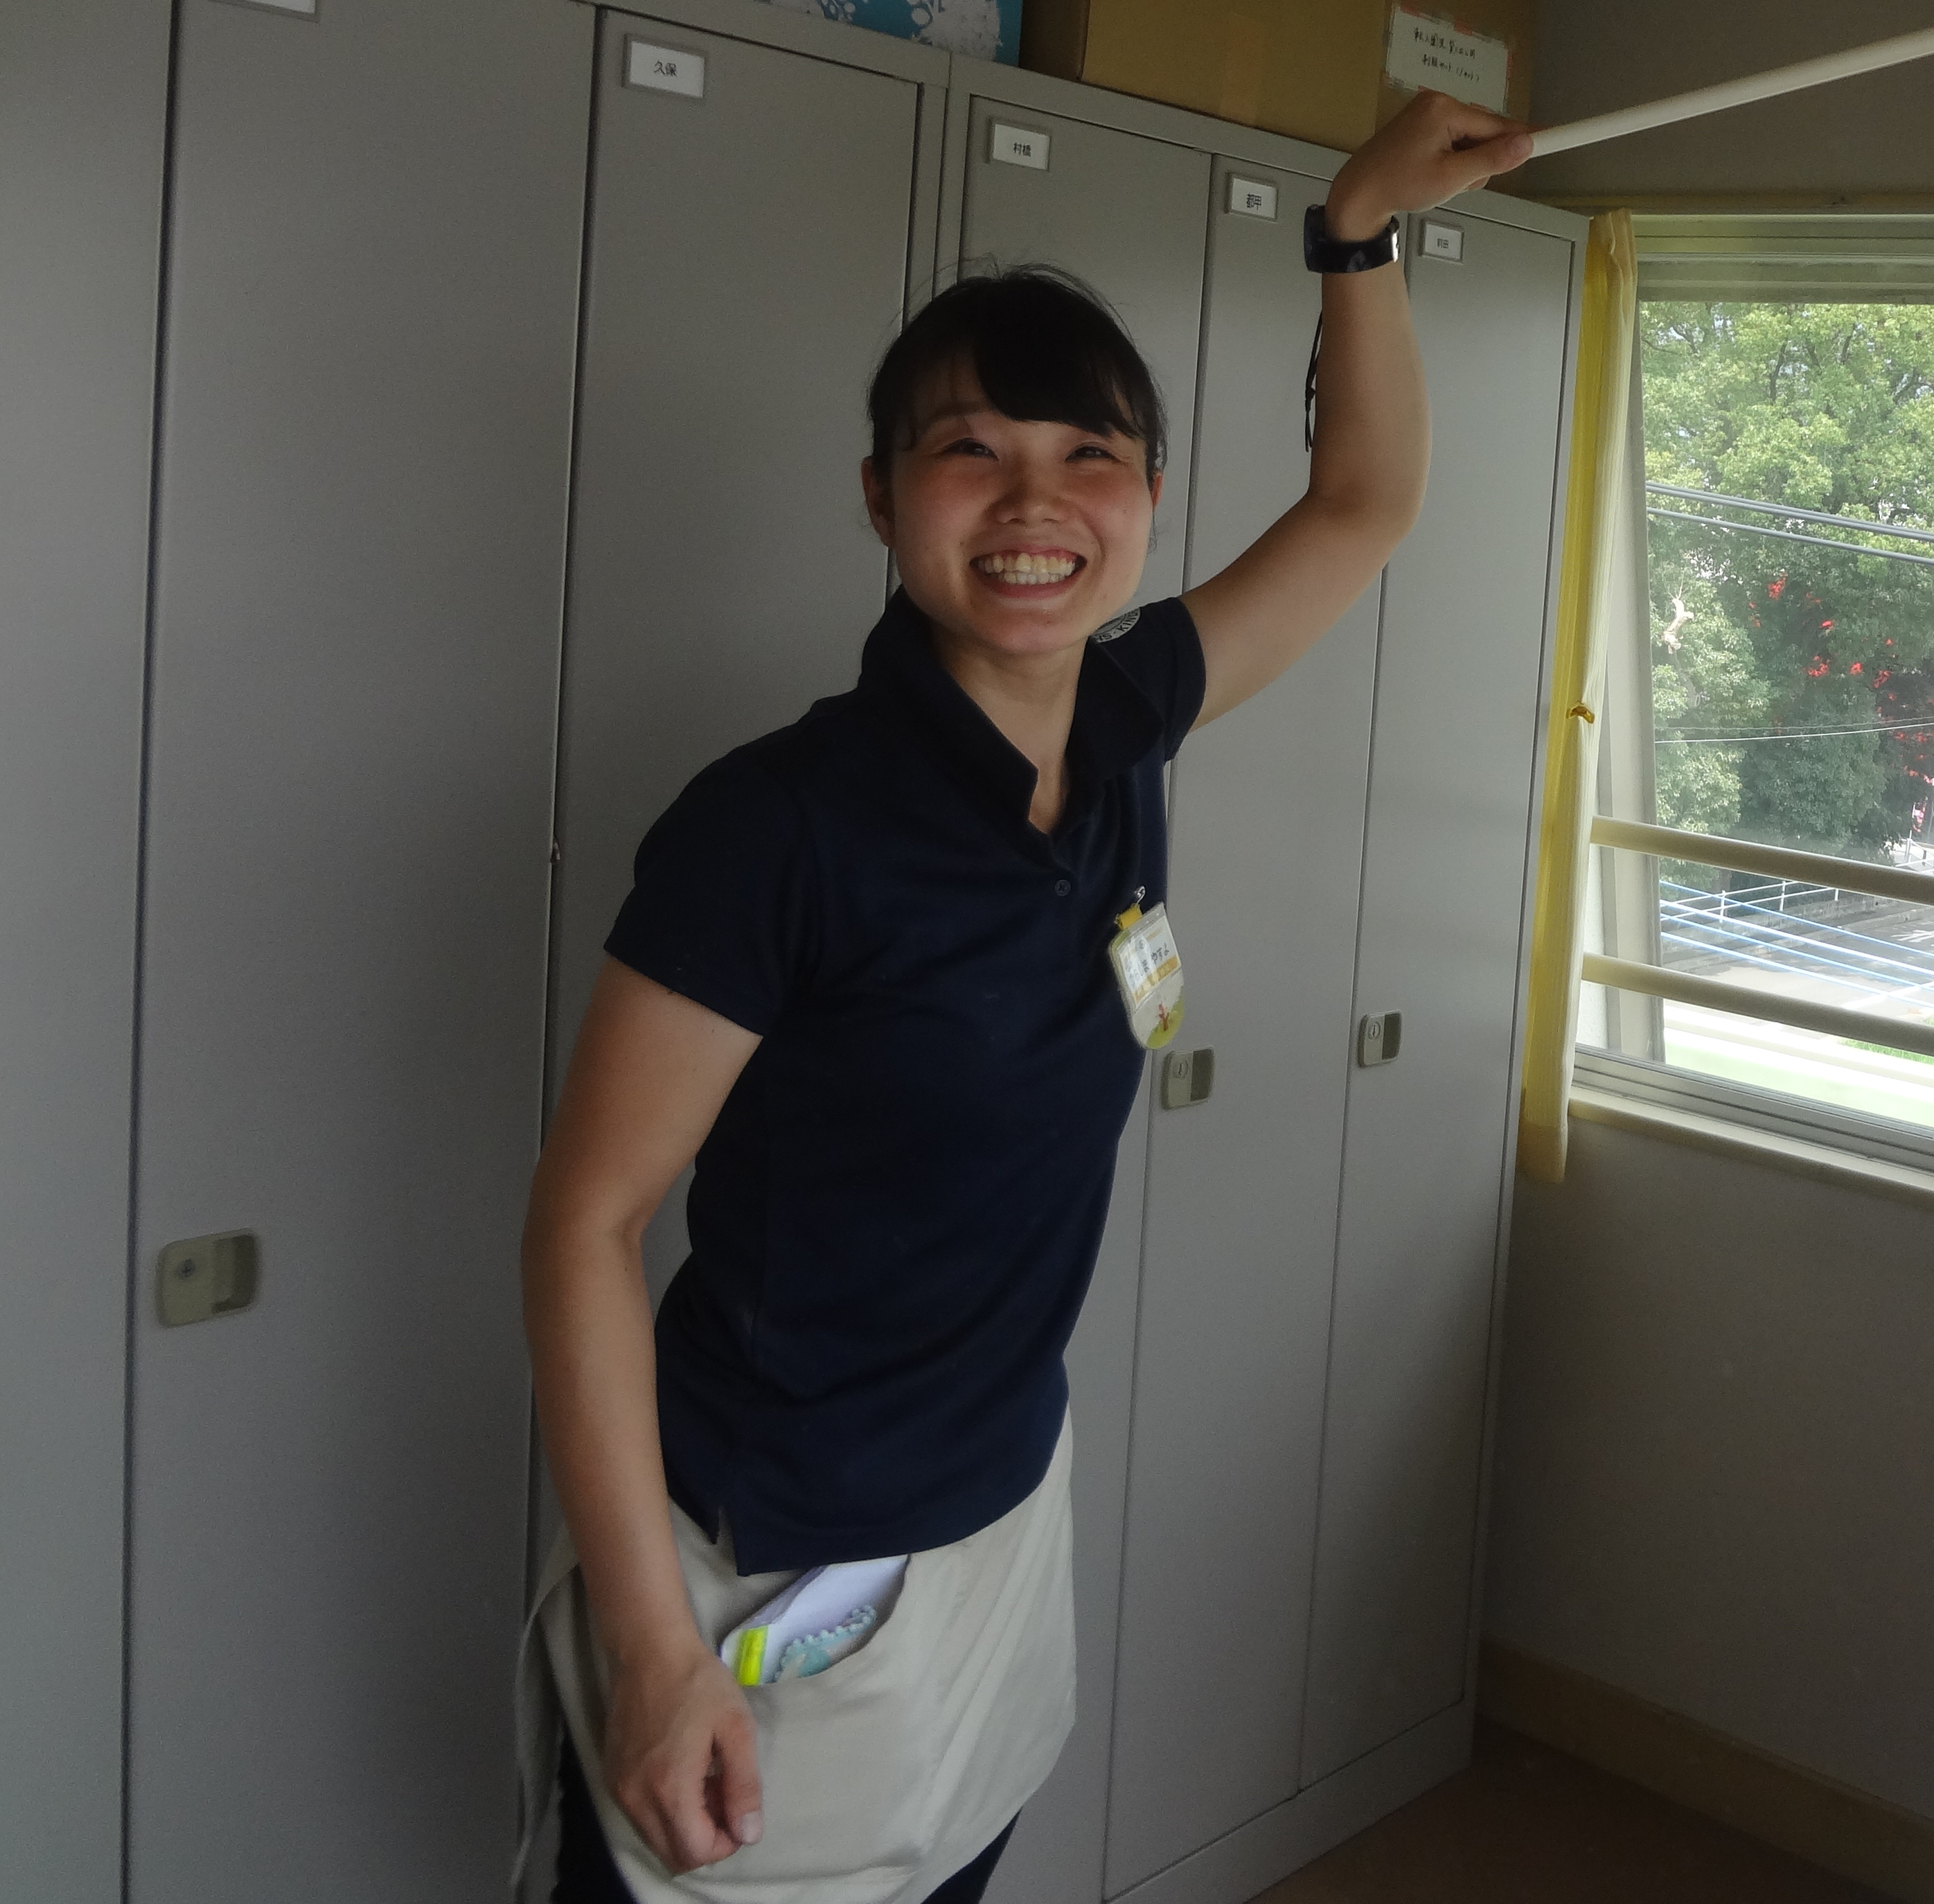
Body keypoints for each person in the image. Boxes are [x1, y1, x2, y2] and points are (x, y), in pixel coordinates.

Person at [520, 91, 1532, 1903]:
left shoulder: (1125, 720)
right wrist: (657, 1652)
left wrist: (1358, 235)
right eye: (968, 452)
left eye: (1090, 455)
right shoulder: (780, 828)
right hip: (774, 1562)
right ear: (881, 496)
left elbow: (1364, 502)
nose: (1035, 505)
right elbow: (585, 1225)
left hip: (996, 1514)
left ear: (1147, 496)